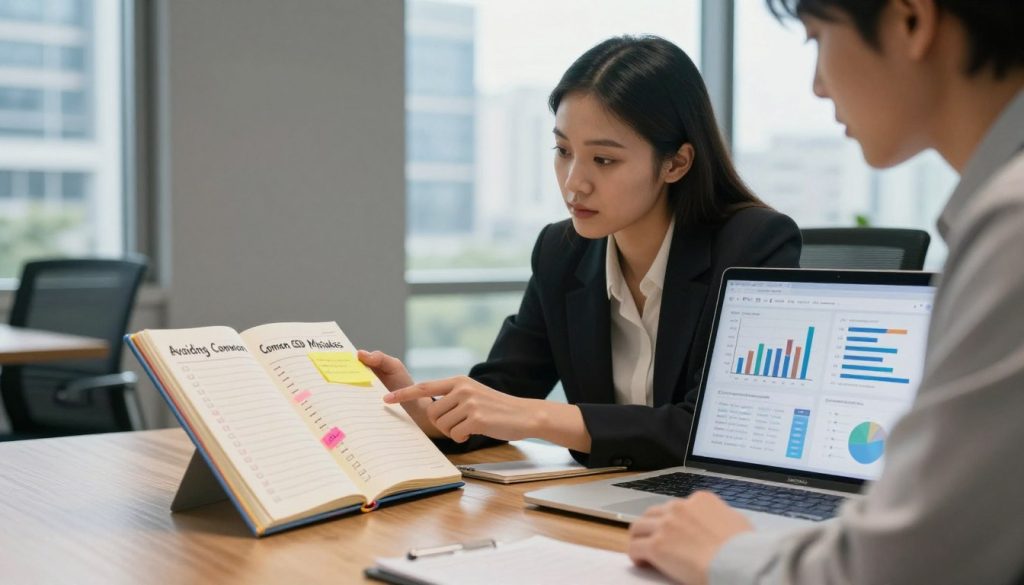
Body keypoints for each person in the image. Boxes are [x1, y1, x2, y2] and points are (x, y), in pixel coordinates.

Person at [627, 1, 1024, 583]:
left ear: (911, 21)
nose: (816, 86)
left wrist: (721, 552)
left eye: (817, 38)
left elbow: (902, 566)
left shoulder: (1012, 225)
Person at [360, 35, 800, 470]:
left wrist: (540, 416)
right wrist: (429, 413)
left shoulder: (753, 244)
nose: (574, 183)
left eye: (603, 160)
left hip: (716, 511)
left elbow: (718, 428)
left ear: (676, 163)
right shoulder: (561, 251)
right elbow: (503, 393)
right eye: (564, 151)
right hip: (602, 501)